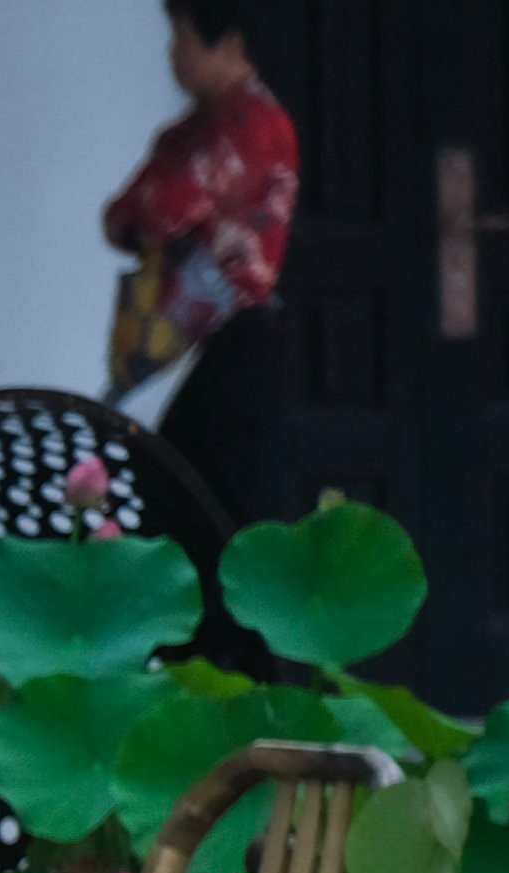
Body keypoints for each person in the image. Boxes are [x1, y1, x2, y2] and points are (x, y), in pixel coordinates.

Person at [105, 0, 300, 527]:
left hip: (235, 335)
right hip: (180, 338)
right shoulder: (194, 130)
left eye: (184, 37)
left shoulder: (254, 127)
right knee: (177, 477)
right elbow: (121, 217)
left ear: (231, 44)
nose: (173, 52)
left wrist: (148, 208)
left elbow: (162, 209)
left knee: (218, 492)